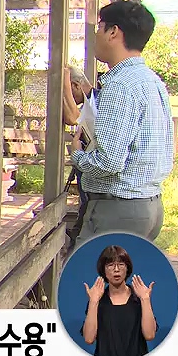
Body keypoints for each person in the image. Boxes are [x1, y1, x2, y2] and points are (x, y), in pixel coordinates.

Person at [64, 0, 173, 356]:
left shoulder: (120, 85)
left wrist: (77, 155)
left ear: (114, 32)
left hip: (117, 210)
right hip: (148, 205)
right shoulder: (152, 82)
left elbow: (109, 161)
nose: (95, 34)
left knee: (86, 299)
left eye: (98, 26)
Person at [81, 245, 157, 356]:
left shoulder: (139, 298)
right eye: (110, 265)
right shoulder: (98, 300)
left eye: (121, 264)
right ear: (104, 270)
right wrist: (93, 302)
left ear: (127, 268)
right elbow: (89, 338)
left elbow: (150, 335)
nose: (116, 269)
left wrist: (145, 299)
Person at [61, 66, 97, 250]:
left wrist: (64, 81)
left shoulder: (96, 101)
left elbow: (73, 117)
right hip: (88, 176)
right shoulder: (91, 102)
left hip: (94, 178)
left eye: (69, 91)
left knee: (87, 224)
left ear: (75, 86)